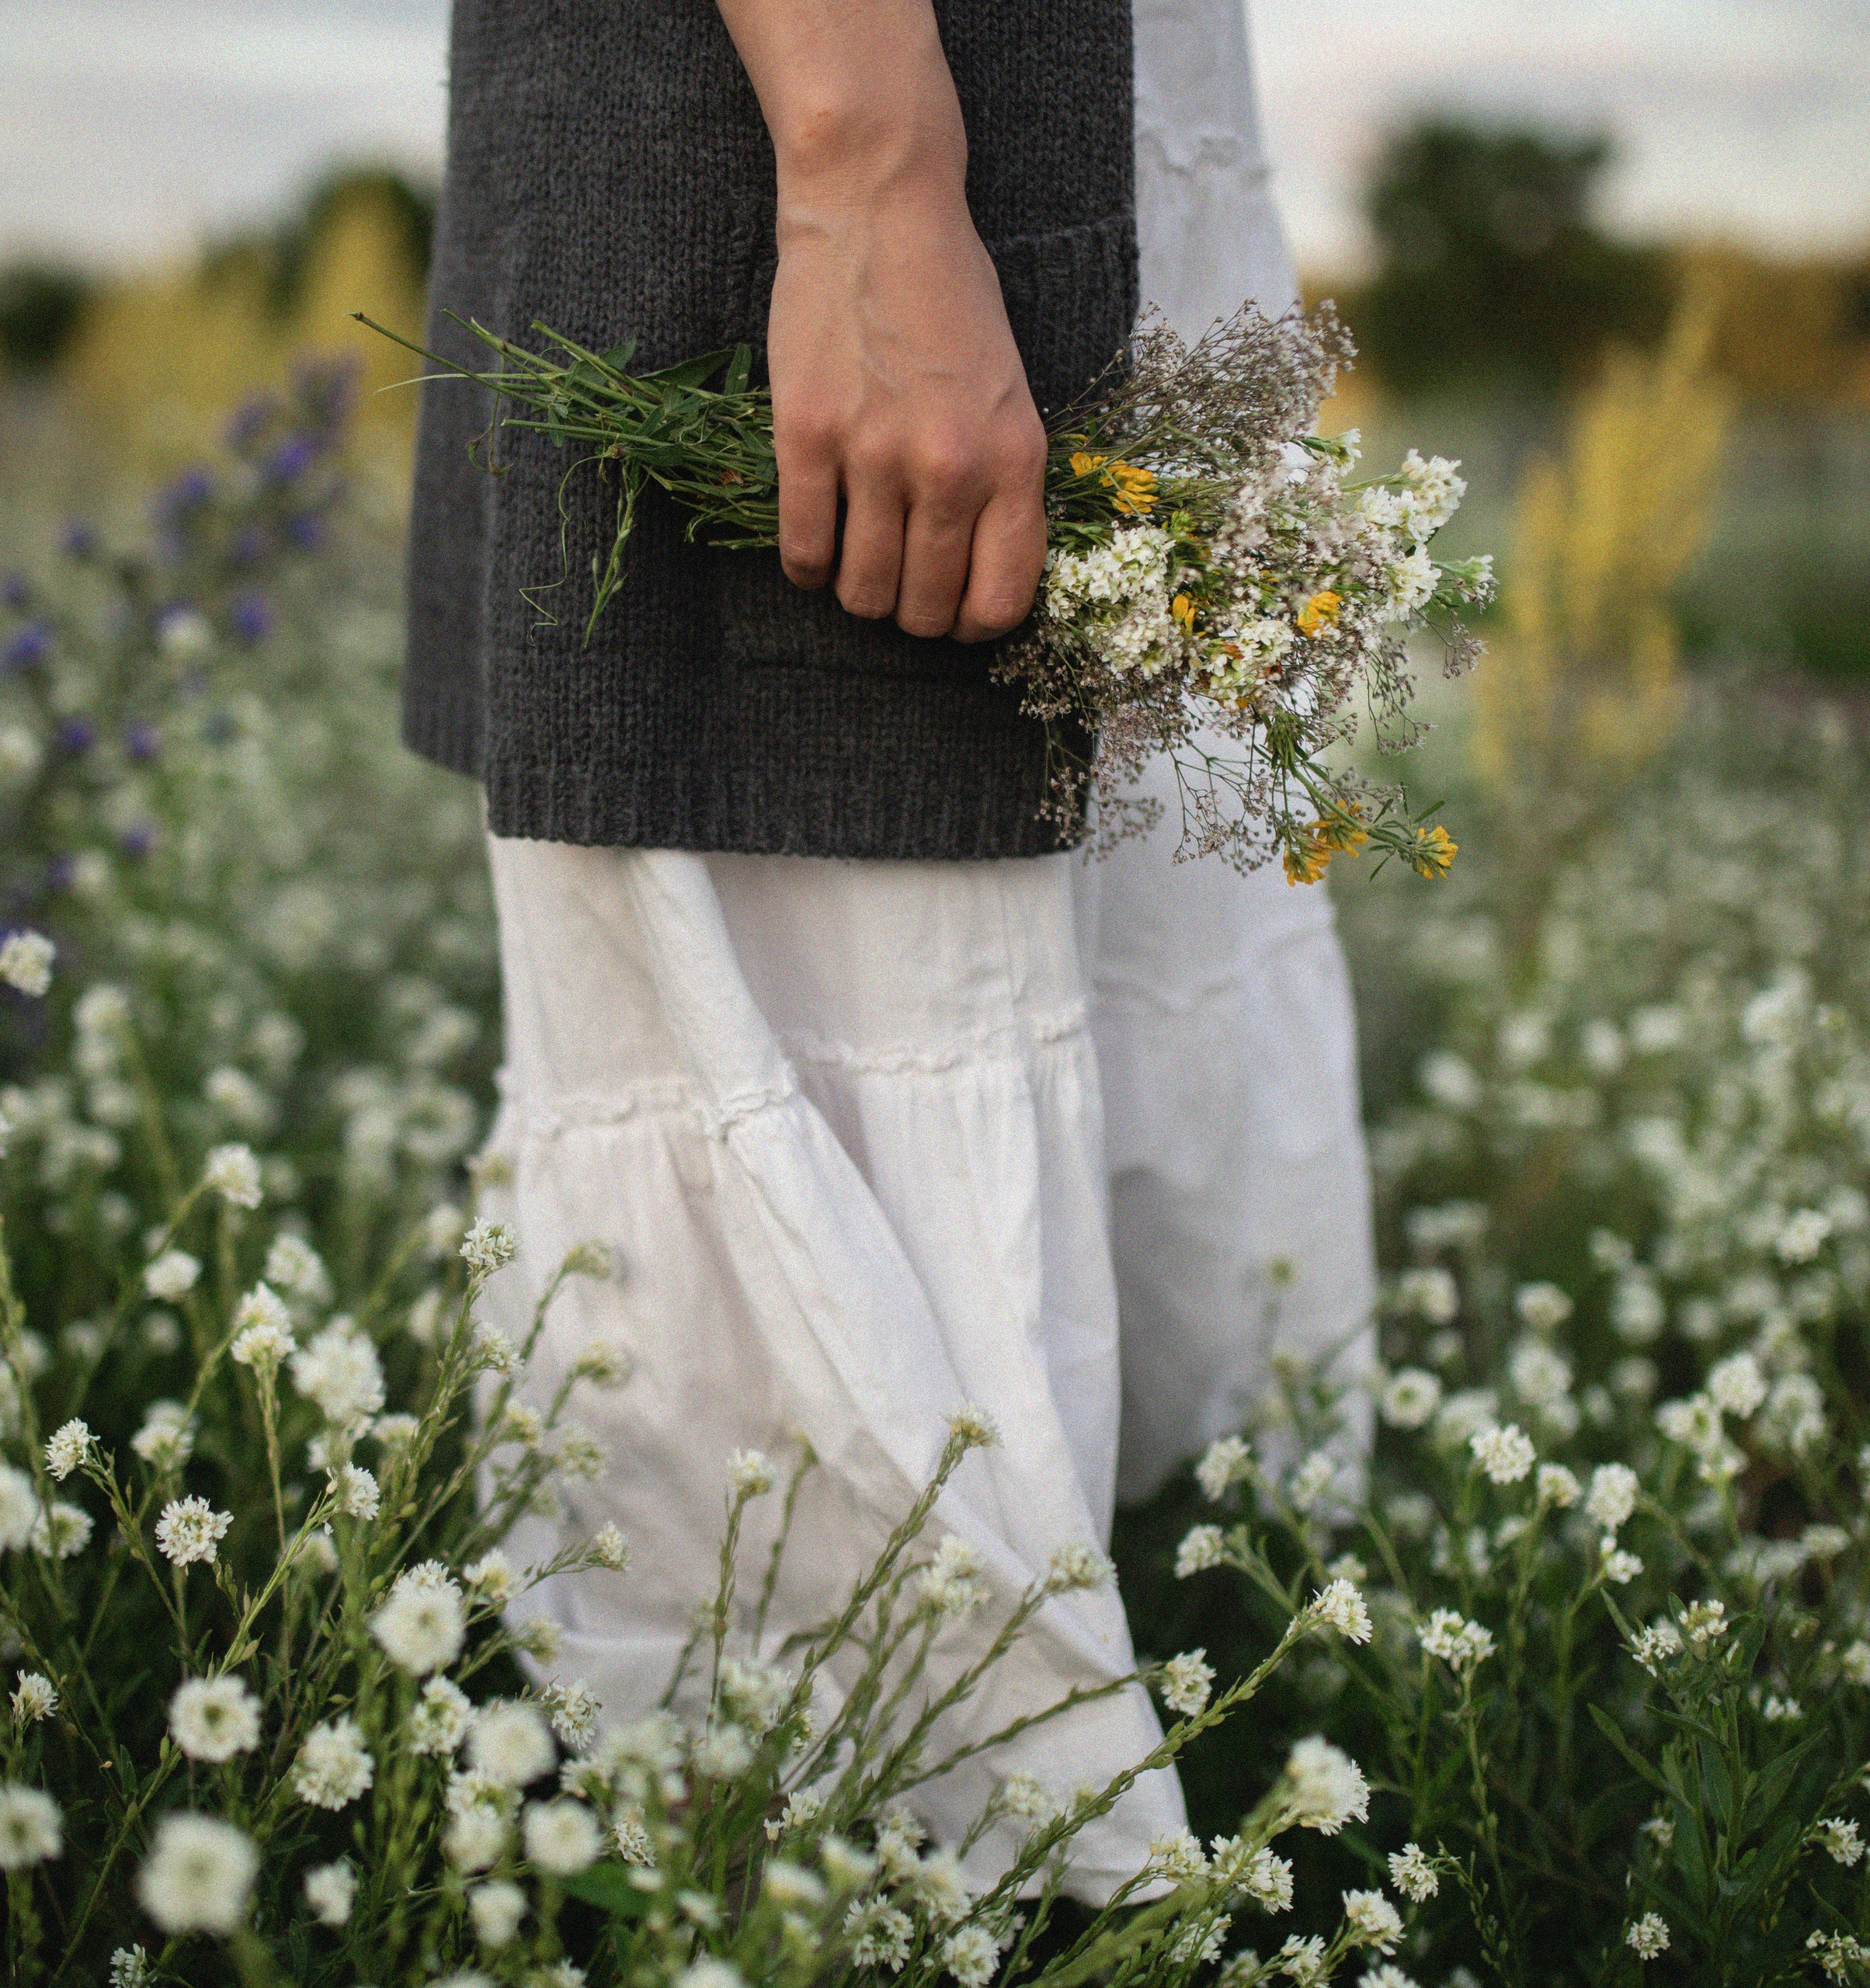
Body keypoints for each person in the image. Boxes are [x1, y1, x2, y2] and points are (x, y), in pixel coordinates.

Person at [404, 0, 1373, 1896]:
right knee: (849, 1042)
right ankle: (858, 1886)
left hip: (1042, 143)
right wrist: (864, 168)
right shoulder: (866, 181)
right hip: (811, 155)